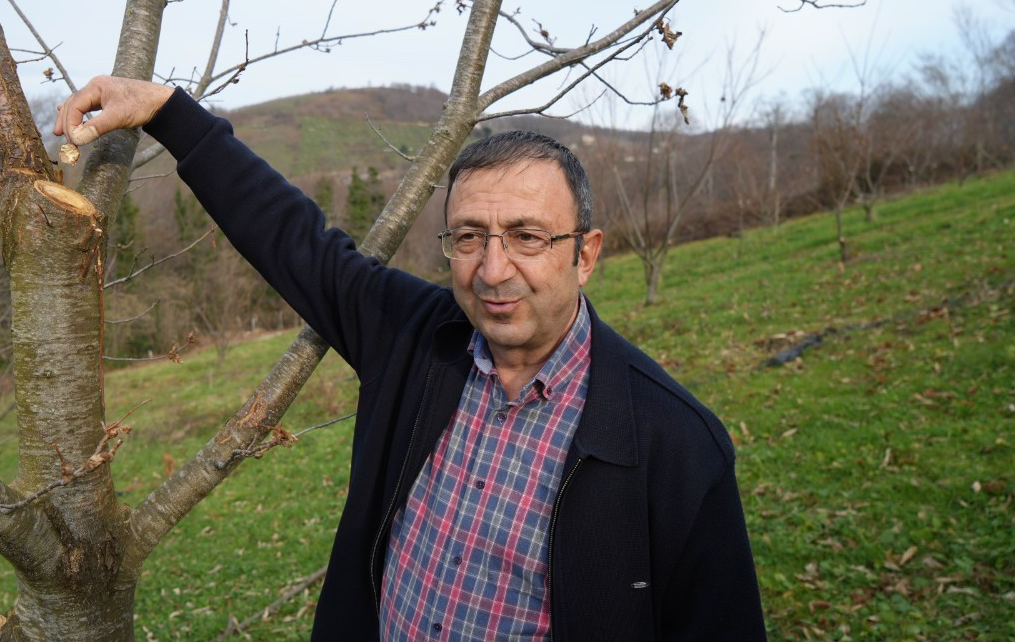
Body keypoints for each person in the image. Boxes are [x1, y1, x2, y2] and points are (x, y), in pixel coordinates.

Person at [55, 76, 767, 641]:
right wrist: (169, 112)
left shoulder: (675, 445)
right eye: (468, 237)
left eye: (526, 237)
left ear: (585, 254)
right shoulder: (417, 340)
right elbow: (294, 239)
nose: (493, 270)